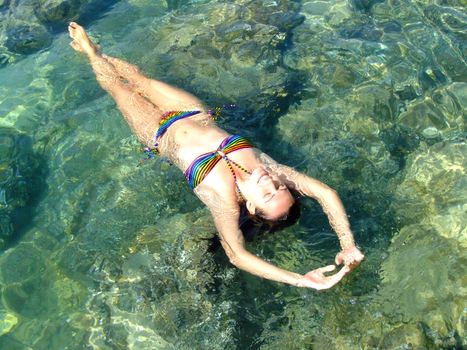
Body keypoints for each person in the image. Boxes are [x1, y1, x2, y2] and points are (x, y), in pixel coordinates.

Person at [68, 22, 364, 290]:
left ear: (250, 204)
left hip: (157, 134)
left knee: (120, 89)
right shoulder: (270, 168)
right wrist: (347, 243)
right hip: (193, 112)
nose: (272, 184)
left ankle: (92, 54)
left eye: (268, 195)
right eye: (280, 187)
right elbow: (325, 192)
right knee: (140, 80)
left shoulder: (223, 202)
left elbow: (237, 255)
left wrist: (301, 280)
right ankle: (100, 51)